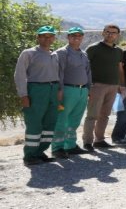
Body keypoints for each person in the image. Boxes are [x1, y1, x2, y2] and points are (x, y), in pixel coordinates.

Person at [14, 25, 60, 165]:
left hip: (53, 90)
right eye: (44, 36)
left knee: (49, 123)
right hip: (36, 90)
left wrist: (58, 91)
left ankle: (40, 152)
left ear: (54, 38)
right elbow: (19, 75)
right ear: (38, 37)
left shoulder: (55, 54)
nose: (47, 38)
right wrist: (23, 95)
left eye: (50, 36)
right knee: (34, 124)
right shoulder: (28, 53)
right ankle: (30, 156)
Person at [50, 27, 92, 158]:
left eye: (79, 35)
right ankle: (57, 148)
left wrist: (88, 89)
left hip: (82, 91)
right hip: (67, 90)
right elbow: (59, 73)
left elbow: (88, 72)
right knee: (61, 120)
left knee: (74, 120)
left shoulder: (83, 53)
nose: (76, 37)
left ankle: (70, 146)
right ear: (68, 37)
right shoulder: (61, 53)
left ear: (82, 37)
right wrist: (60, 90)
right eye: (73, 35)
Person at [83, 24, 124, 151]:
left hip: (113, 86)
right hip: (97, 85)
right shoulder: (93, 48)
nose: (110, 34)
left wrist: (121, 85)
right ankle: (87, 142)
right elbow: (85, 67)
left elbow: (119, 68)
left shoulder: (118, 51)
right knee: (92, 115)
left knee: (105, 115)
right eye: (108, 32)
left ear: (117, 35)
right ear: (103, 33)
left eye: (113, 32)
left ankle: (99, 140)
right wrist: (87, 86)